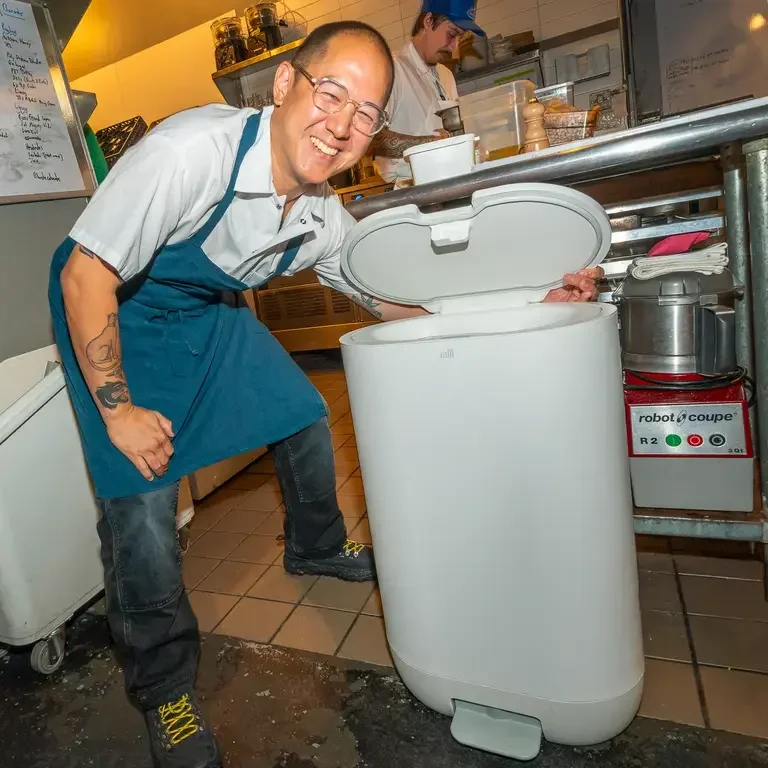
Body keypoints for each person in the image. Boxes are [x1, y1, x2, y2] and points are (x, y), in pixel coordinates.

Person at [48, 20, 603, 768]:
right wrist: (117, 411)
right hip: (111, 308)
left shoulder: (318, 215)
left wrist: (531, 301)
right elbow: (84, 274)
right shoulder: (191, 153)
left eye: (366, 113)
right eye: (331, 93)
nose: (342, 125)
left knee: (302, 411)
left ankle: (315, 545)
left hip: (203, 313)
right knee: (143, 504)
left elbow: (390, 302)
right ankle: (164, 689)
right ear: (285, 85)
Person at [372, 0, 484, 187]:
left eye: (460, 37)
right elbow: (371, 138)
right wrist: (429, 143)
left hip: (449, 184)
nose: (454, 47)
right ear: (428, 21)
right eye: (451, 34)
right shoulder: (392, 70)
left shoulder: (446, 75)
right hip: (409, 191)